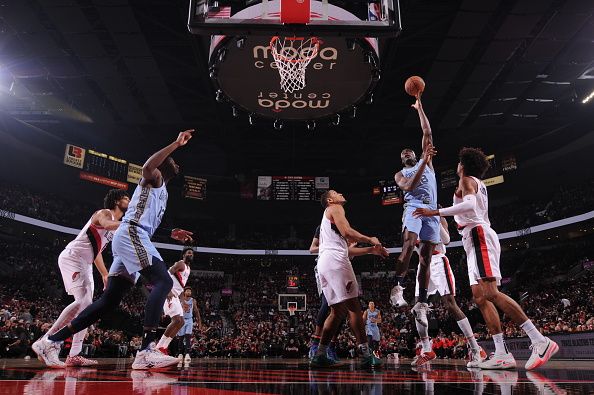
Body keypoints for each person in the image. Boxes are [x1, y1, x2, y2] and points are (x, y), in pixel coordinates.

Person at [33, 129, 196, 370]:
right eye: (171, 160)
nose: (175, 162)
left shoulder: (163, 193)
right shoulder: (155, 178)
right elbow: (147, 167)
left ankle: (52, 341)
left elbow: (143, 219)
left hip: (133, 238)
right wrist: (175, 143)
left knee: (109, 300)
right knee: (163, 281)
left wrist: (169, 234)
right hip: (132, 236)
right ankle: (146, 351)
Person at [413, 147, 559, 370]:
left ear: (462, 165)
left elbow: (470, 205)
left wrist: (435, 213)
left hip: (478, 234)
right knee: (480, 297)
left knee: (491, 292)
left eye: (458, 163)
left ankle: (540, 340)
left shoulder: (466, 180)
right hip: (471, 237)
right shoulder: (470, 181)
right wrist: (428, 161)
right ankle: (501, 352)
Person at [37, 189, 129, 367]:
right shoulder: (104, 213)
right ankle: (47, 341)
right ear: (117, 201)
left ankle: (75, 354)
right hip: (73, 257)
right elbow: (107, 224)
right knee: (84, 303)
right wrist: (130, 224)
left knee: (88, 308)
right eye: (126, 198)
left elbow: (97, 252)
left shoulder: (114, 224)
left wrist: (104, 273)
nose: (129, 200)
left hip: (86, 263)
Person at [310, 190, 388, 369]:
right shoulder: (335, 207)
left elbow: (345, 249)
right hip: (335, 261)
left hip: (325, 263)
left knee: (336, 312)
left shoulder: (327, 222)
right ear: (330, 200)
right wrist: (370, 240)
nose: (341, 193)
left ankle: (320, 355)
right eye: (336, 193)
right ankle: (367, 355)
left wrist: (370, 250)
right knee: (354, 307)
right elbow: (347, 232)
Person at [390, 96, 439, 331]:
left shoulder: (426, 162)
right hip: (414, 208)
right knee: (409, 245)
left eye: (410, 152)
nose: (407, 154)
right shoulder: (400, 174)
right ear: (402, 160)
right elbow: (408, 188)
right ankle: (398, 287)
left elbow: (427, 133)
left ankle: (421, 303)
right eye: (404, 154)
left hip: (432, 212)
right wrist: (423, 163)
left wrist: (420, 108)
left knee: (426, 259)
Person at [410, 216, 486, 367]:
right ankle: (427, 350)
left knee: (450, 304)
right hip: (423, 264)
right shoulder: (411, 219)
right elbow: (411, 246)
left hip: (438, 261)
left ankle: (476, 348)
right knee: (418, 309)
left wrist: (433, 219)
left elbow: (446, 240)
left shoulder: (438, 216)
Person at [155, 247, 195, 356]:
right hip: (169, 293)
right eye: (189, 253)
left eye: (192, 254)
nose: (191, 255)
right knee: (176, 320)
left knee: (181, 322)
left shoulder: (188, 268)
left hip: (176, 295)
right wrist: (167, 291)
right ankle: (159, 347)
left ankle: (164, 347)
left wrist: (183, 302)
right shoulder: (181, 263)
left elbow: (181, 287)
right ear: (183, 255)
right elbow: (167, 274)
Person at [176, 286, 201, 365]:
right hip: (182, 319)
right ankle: (180, 354)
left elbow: (196, 311)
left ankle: (187, 354)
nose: (189, 292)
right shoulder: (180, 299)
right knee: (181, 337)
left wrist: (199, 321)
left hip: (189, 320)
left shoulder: (193, 300)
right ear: (184, 292)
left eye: (190, 291)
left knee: (188, 336)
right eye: (187, 291)